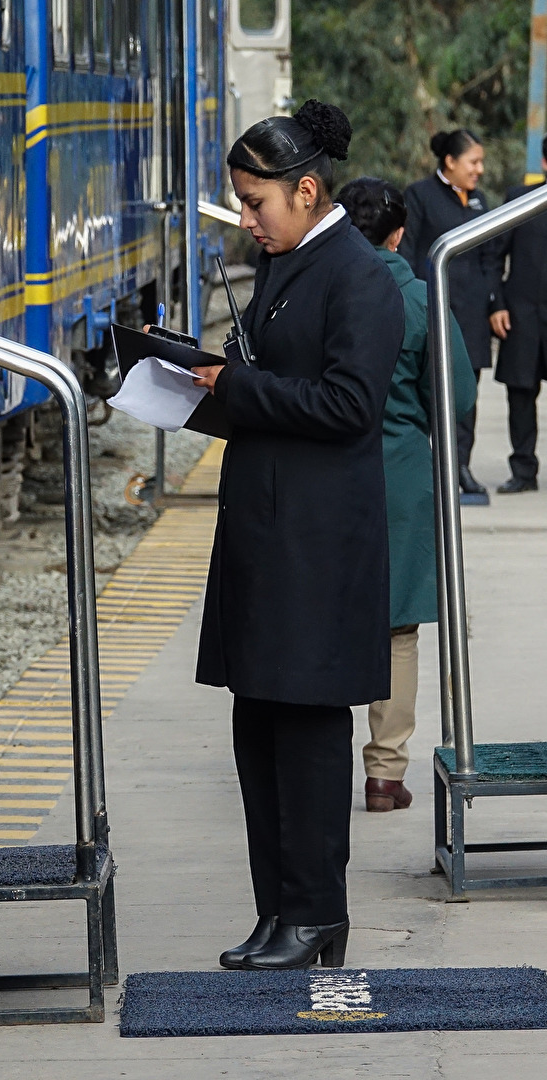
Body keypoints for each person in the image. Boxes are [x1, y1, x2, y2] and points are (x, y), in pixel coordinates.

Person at [189, 100, 404, 972]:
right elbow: (273, 387)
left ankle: (315, 916)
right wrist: (199, 389)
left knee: (307, 733)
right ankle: (277, 913)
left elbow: (348, 406)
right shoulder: (289, 263)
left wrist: (235, 390)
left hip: (315, 551)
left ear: (307, 190)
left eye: (256, 203)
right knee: (259, 727)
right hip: (271, 542)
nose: (246, 219)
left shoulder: (357, 277)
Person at [336, 177, 476, 813]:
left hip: (329, 476)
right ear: (398, 234)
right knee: (396, 630)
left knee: (328, 621)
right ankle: (385, 775)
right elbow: (459, 396)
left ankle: (317, 767)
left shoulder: (324, 289)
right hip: (401, 480)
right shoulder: (422, 297)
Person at [399, 130, 499, 502]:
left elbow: (490, 257)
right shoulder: (420, 196)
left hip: (471, 314)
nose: (480, 170)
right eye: (473, 162)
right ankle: (430, 469)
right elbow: (407, 251)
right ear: (450, 162)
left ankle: (461, 468)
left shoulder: (479, 201)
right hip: (434, 310)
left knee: (466, 393)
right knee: (427, 392)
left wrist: (496, 304)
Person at [488, 138, 547, 493]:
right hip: (521, 316)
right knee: (520, 396)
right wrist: (497, 304)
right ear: (544, 162)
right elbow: (493, 256)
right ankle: (523, 471)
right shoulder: (520, 200)